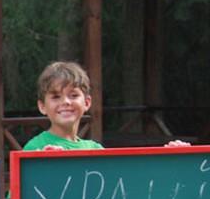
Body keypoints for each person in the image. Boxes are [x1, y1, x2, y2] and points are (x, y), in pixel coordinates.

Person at [24, 61, 189, 151]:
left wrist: (171, 157)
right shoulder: (35, 147)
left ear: (87, 102)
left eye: (73, 95)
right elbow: (17, 198)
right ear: (42, 106)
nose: (65, 102)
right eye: (56, 97)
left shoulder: (95, 149)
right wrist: (43, 165)